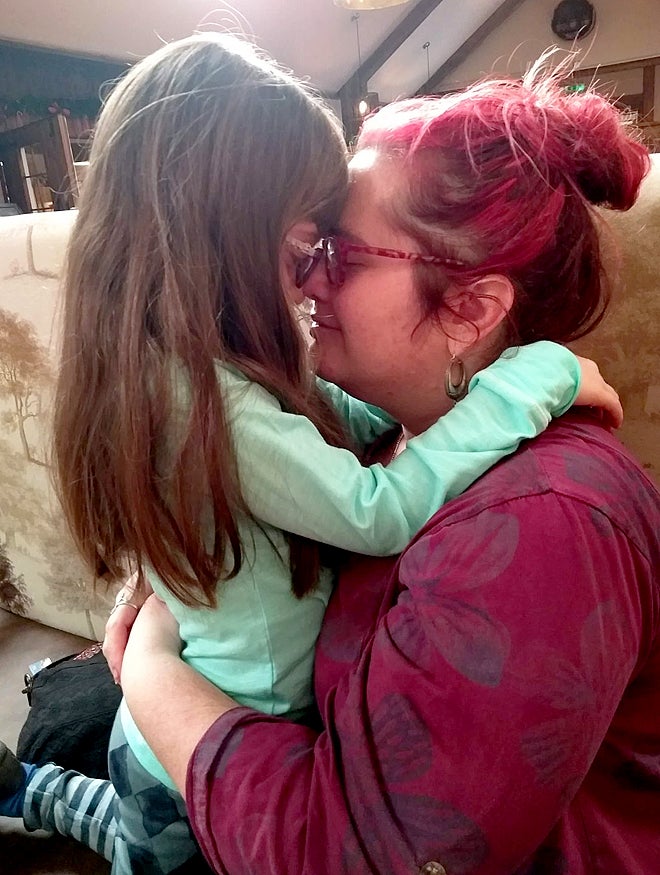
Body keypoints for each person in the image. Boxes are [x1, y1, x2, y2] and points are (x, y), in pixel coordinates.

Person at [0, 35, 617, 875]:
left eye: (341, 253)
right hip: (185, 740)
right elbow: (367, 496)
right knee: (128, 827)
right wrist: (530, 380)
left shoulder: (544, 523)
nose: (312, 283)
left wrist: (149, 658)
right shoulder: (216, 394)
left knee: (107, 785)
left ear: (473, 307)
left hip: (181, 722)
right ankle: (38, 790)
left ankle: (34, 789)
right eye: (305, 249)